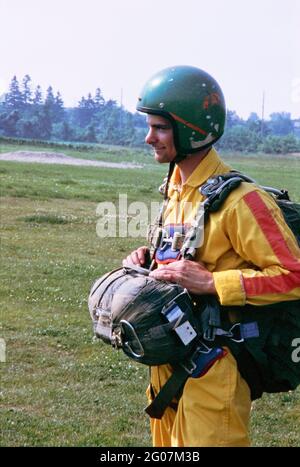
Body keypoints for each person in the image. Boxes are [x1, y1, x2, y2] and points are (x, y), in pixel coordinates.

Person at [122, 65, 300, 447]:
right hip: (166, 358)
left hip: (215, 365)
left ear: (192, 130)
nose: (148, 137)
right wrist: (148, 262)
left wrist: (212, 283)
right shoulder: (177, 192)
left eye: (160, 128)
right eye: (150, 126)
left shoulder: (242, 201)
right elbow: (184, 257)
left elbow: (294, 275)